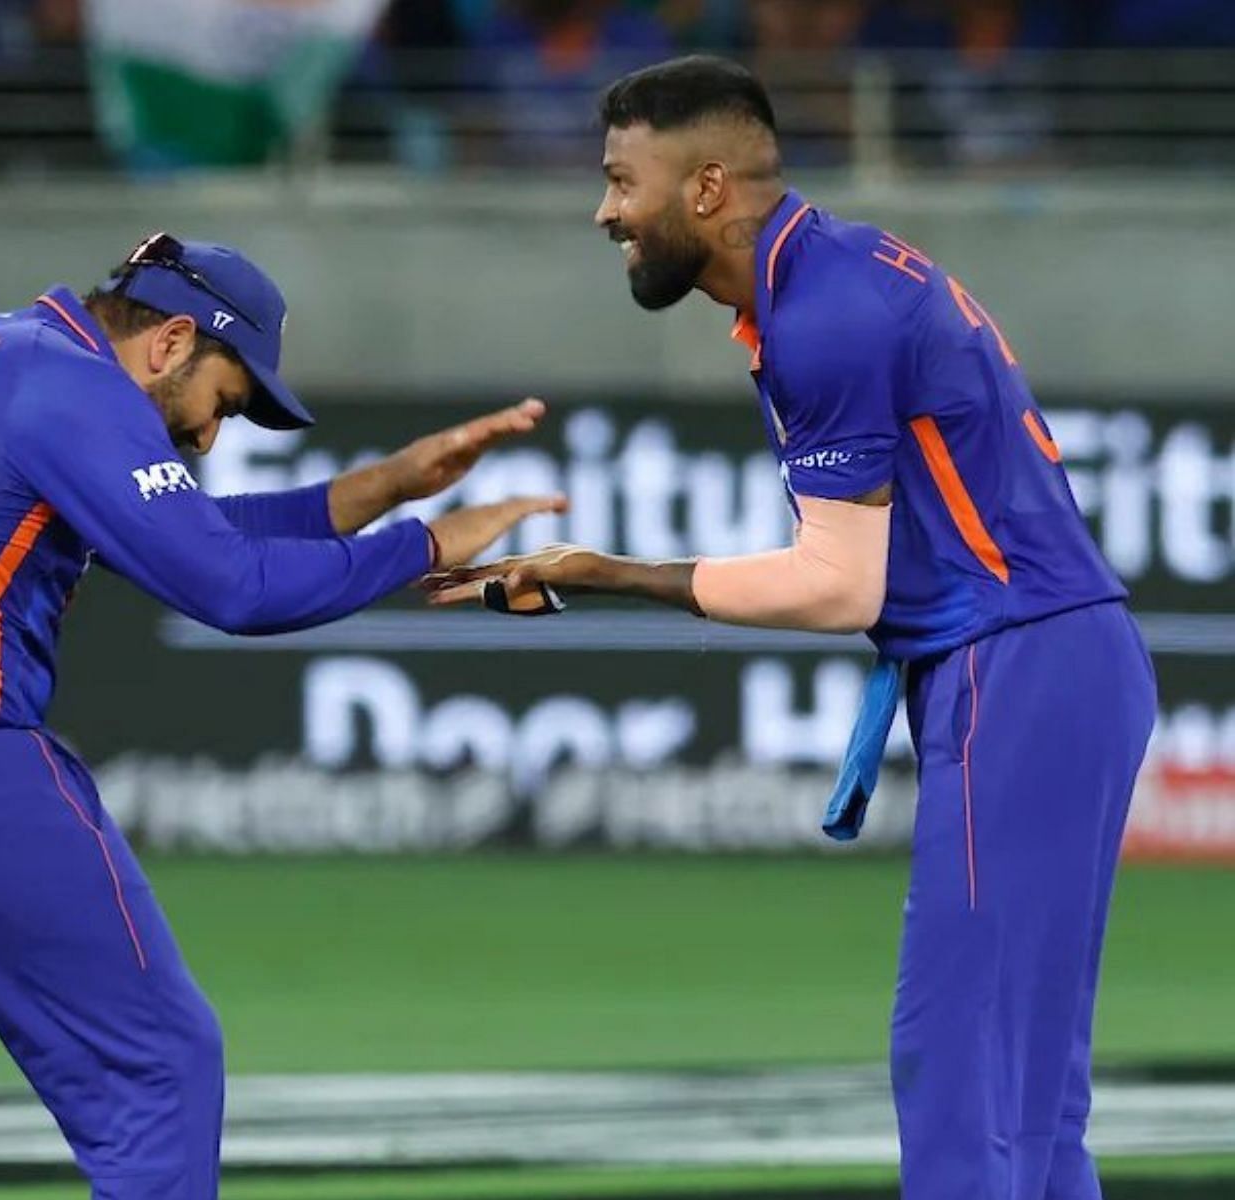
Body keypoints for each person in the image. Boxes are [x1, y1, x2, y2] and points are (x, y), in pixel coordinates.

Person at [0, 232, 561, 1200]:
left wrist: (382, 488)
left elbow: (180, 531)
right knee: (162, 1065)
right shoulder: (75, 390)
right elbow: (230, 587)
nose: (208, 436)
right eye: (225, 401)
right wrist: (426, 546)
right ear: (169, 342)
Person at [427, 56, 1154, 1200]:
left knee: (962, 1056)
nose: (603, 210)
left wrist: (601, 570)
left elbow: (835, 587)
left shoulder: (823, 313)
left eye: (623, 180)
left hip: (1022, 665)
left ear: (706, 187)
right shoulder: (826, 276)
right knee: (1025, 1087)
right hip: (1047, 660)